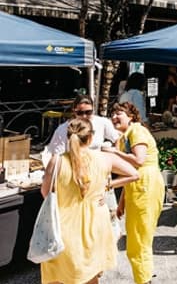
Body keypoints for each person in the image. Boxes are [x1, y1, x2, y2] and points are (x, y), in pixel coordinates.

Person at [40, 118, 139, 284]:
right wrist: (108, 185)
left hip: (63, 225)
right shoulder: (105, 158)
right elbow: (134, 174)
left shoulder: (56, 161)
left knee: (58, 276)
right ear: (91, 138)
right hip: (96, 223)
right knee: (91, 275)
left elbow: (45, 193)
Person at [104, 102, 164, 284]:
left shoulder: (136, 131)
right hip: (138, 187)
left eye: (119, 113)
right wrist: (122, 202)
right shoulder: (125, 136)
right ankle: (145, 275)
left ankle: (143, 280)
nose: (114, 116)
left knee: (137, 241)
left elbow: (139, 160)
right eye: (113, 113)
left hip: (145, 185)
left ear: (131, 116)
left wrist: (114, 151)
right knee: (141, 237)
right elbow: (129, 172)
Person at [45, 95, 120, 164]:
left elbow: (117, 139)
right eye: (80, 113)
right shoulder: (62, 129)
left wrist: (116, 153)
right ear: (74, 111)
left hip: (97, 164)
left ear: (93, 109)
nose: (84, 116)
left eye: (88, 112)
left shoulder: (102, 122)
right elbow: (57, 155)